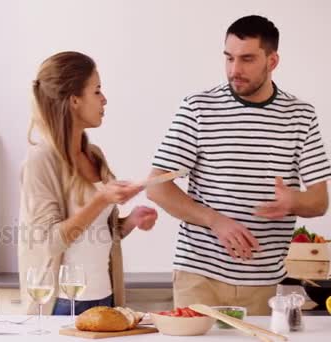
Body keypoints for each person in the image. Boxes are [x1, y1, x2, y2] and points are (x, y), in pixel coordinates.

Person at [147, 15, 331, 315]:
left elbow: (319, 202)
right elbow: (157, 187)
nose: (235, 70)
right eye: (229, 58)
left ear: (272, 61)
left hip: (264, 284)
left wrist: (294, 201)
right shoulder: (198, 107)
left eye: (247, 59)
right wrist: (215, 221)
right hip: (198, 275)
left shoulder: (301, 115)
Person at [18, 51, 158, 315]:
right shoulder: (41, 160)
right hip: (62, 303)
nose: (104, 99)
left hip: (105, 297)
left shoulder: (94, 155)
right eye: (97, 91)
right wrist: (101, 199)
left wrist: (130, 222)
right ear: (74, 100)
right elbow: (49, 242)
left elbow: (96, 233)